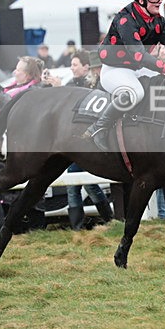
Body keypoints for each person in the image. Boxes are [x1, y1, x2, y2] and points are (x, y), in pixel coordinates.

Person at [84, 0, 165, 152]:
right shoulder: (125, 20)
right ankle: (99, 128)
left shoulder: (159, 21)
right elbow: (139, 55)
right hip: (115, 69)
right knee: (135, 93)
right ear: (141, 0)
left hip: (138, 68)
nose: (159, 1)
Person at [46, 49, 115, 229]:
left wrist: (61, 88)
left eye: (75, 64)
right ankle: (103, 220)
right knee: (81, 183)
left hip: (87, 138)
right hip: (76, 138)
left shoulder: (94, 84)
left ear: (86, 67)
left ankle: (84, 225)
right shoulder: (76, 83)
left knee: (80, 182)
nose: (72, 68)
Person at [0, 55, 49, 231]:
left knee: (28, 184)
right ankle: (13, 226)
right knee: (8, 185)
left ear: (28, 75)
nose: (14, 72)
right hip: (11, 143)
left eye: (18, 70)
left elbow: (9, 106)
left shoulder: (35, 89)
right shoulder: (14, 88)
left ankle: (32, 227)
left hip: (28, 145)